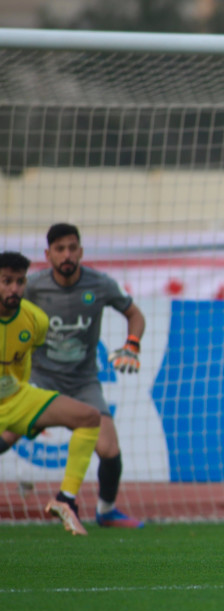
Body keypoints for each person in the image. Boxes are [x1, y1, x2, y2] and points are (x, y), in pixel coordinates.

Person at [0, 224, 146, 528]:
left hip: (83, 382)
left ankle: (105, 510)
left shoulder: (100, 284)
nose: (67, 254)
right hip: (42, 378)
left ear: (80, 251)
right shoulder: (33, 286)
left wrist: (132, 344)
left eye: (72, 248)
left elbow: (135, 314)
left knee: (110, 449)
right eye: (60, 249)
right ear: (48, 254)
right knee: (7, 435)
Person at [0, 250, 103, 536]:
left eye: (20, 282)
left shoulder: (36, 320)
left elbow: (24, 361)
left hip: (18, 398)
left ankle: (64, 499)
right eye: (6, 281)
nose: (14, 289)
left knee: (89, 417)